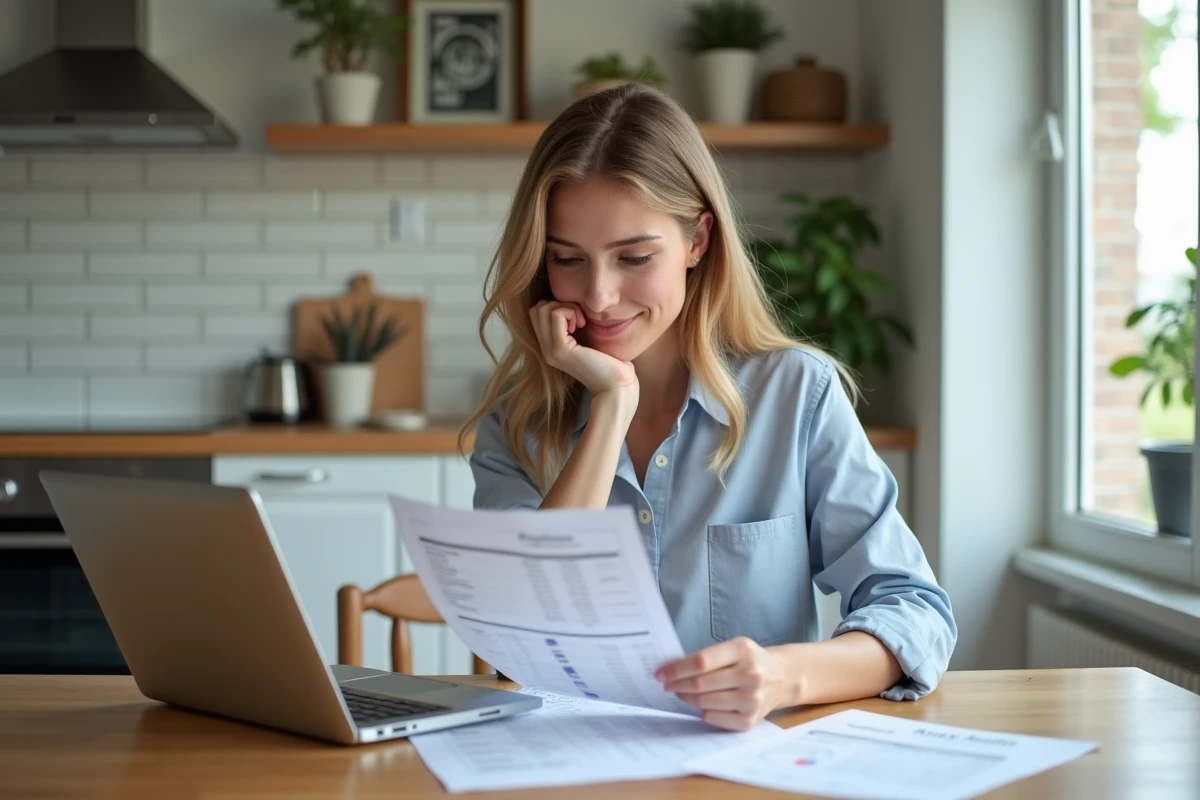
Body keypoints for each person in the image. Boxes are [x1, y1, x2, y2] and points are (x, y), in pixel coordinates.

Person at [460, 84, 956, 732]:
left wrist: (782, 676)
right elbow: (522, 627)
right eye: (567, 259)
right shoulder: (516, 422)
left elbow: (914, 610)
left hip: (747, 766)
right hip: (572, 765)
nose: (600, 296)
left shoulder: (796, 395)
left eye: (634, 257)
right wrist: (611, 404)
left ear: (697, 240)